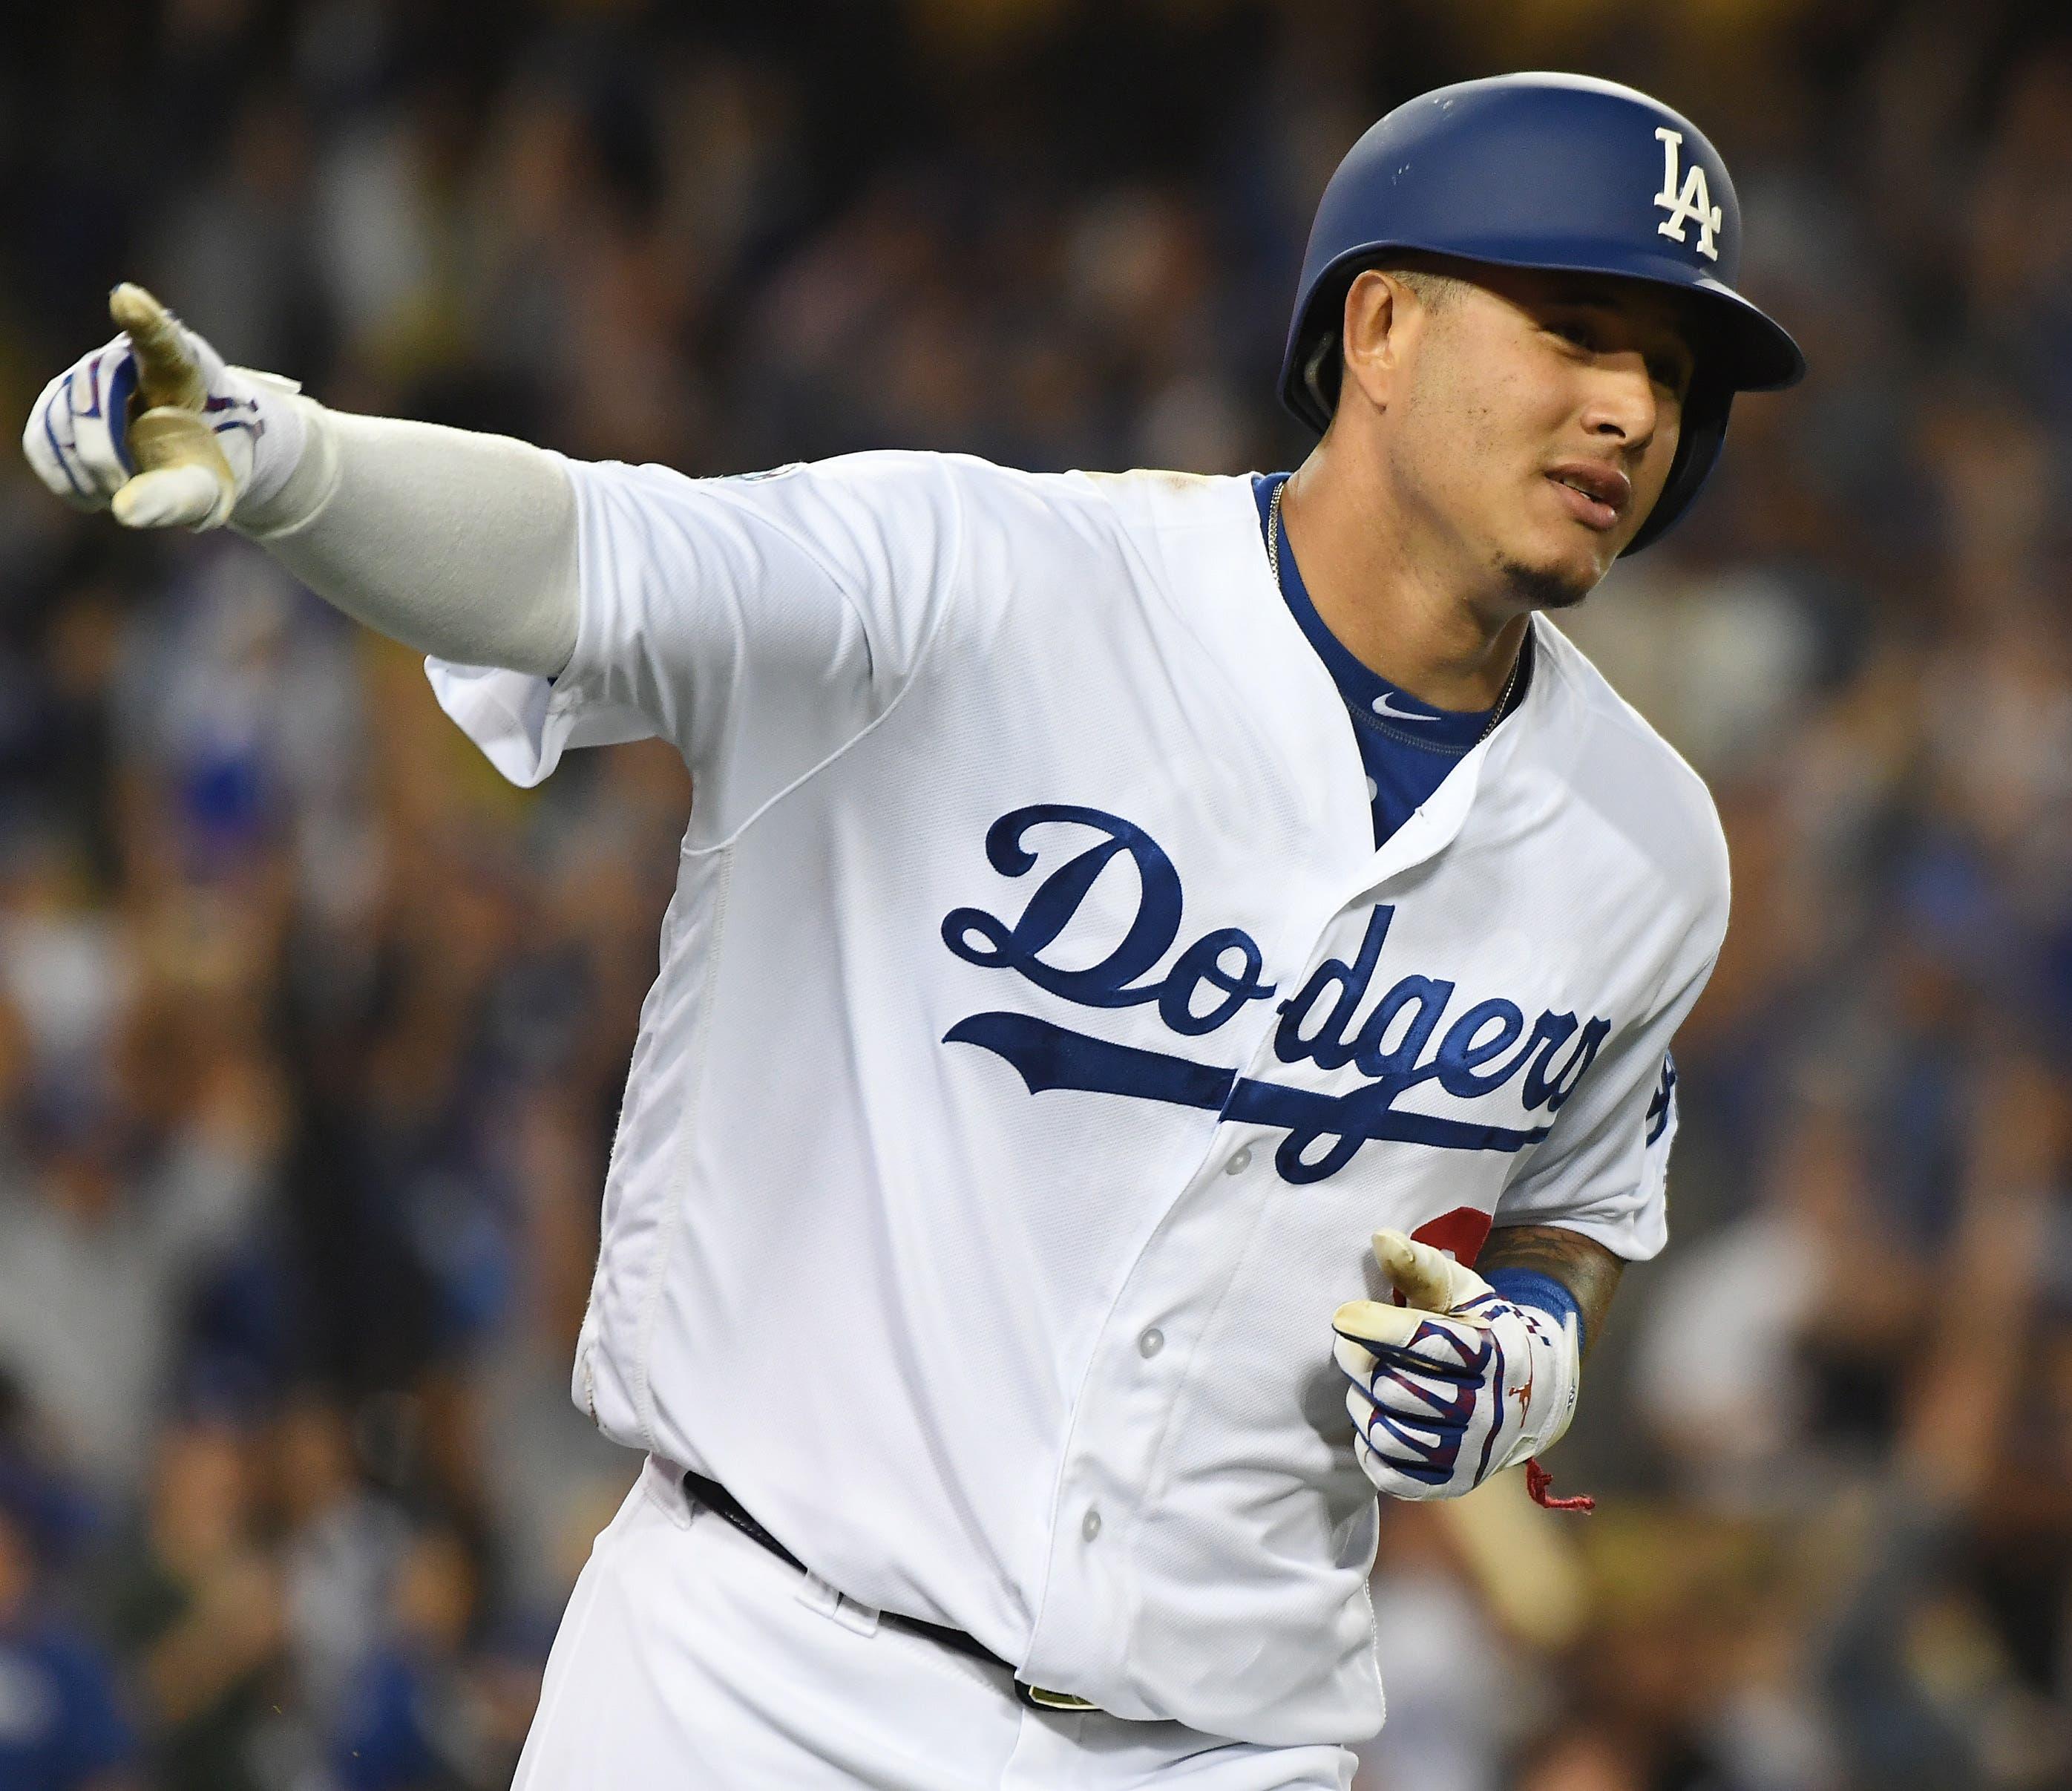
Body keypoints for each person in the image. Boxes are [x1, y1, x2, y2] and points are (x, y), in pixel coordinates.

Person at [23, 71, 1802, 1790]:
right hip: (752, 1682)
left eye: (1669, 366)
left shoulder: (1647, 849)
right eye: (1578, 330)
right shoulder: (986, 581)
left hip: (1220, 1747)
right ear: (1379, 330)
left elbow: (1571, 1222)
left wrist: (1522, 1356)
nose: (1634, 410)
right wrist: (297, 464)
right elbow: (593, 558)